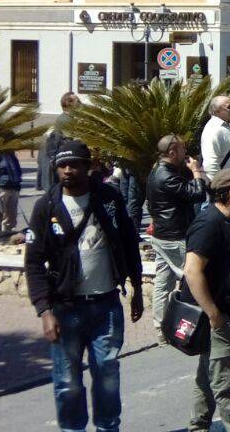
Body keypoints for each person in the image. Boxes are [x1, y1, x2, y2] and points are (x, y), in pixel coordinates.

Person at [24, 139, 144, 432]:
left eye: (74, 164)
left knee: (107, 374)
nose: (67, 170)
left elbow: (129, 243)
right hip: (65, 309)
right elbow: (34, 263)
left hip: (106, 306)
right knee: (67, 383)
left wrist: (137, 289)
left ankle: (107, 428)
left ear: (87, 167)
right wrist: (44, 311)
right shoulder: (46, 206)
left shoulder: (108, 199)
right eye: (62, 165)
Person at [183, 165, 230, 432]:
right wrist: (213, 313)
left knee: (208, 376)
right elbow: (192, 271)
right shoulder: (209, 224)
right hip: (220, 315)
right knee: (226, 382)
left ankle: (198, 426)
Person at [146, 134, 208, 336]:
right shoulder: (167, 176)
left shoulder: (160, 171)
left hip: (163, 235)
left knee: (163, 283)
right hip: (175, 237)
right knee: (194, 277)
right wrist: (197, 172)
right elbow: (197, 194)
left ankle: (160, 327)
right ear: (172, 152)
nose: (185, 152)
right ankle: (191, 326)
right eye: (182, 149)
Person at [201, 95, 230, 182]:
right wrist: (218, 186)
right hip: (224, 184)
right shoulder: (213, 129)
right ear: (217, 110)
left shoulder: (227, 125)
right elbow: (210, 163)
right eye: (229, 107)